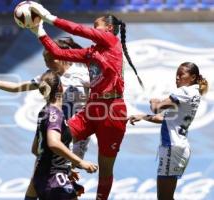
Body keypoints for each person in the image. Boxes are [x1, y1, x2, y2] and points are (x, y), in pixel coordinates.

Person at [29, 3, 143, 199]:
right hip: (92, 110)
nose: (93, 29)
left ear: (109, 28)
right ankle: (39, 192)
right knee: (54, 142)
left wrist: (49, 17)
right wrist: (38, 30)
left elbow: (78, 30)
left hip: (112, 111)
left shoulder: (111, 41)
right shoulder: (91, 53)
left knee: (105, 169)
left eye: (96, 25)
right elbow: (58, 53)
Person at [0, 37, 91, 199]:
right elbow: (17, 87)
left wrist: (121, 114)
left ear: (61, 56)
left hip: (74, 136)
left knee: (51, 181)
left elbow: (104, 96)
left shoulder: (82, 74)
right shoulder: (49, 79)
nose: (47, 64)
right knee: (45, 181)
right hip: (55, 134)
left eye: (49, 59)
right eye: (44, 60)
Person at [129, 62, 208, 200]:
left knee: (164, 198)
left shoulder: (184, 91)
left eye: (181, 75)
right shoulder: (194, 93)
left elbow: (156, 108)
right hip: (179, 148)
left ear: (193, 77)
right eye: (176, 75)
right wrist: (142, 116)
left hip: (172, 148)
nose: (177, 78)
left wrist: (154, 101)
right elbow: (163, 118)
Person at [30, 70, 98, 200]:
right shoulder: (55, 114)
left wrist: (65, 168)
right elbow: (53, 143)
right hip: (54, 180)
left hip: (47, 177)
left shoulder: (44, 111)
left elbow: (35, 149)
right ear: (61, 87)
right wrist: (79, 162)